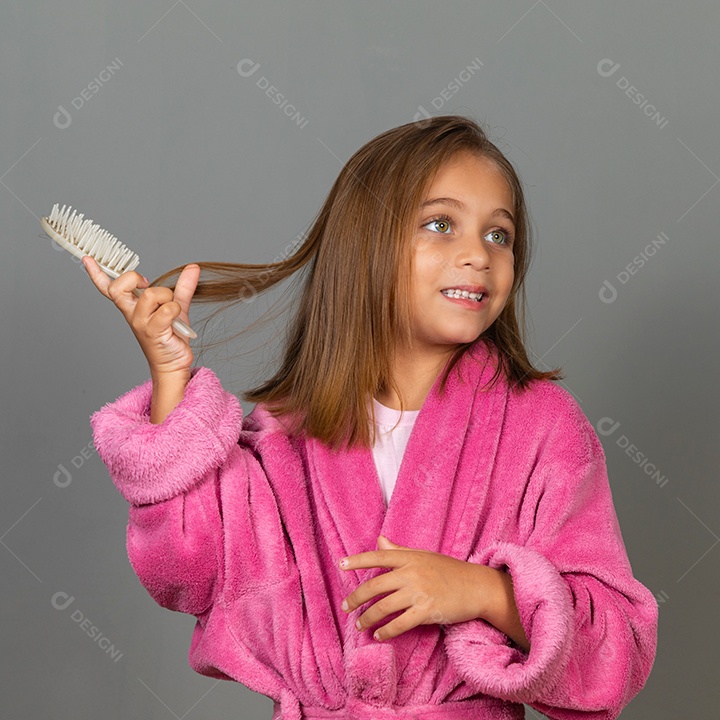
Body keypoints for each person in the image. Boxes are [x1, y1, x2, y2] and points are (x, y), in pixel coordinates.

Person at [84, 115, 658, 719]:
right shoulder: (286, 432)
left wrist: (485, 593)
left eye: (499, 235)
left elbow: (616, 651)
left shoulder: (541, 428)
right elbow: (189, 572)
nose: (477, 255)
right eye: (441, 225)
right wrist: (172, 379)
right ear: (365, 245)